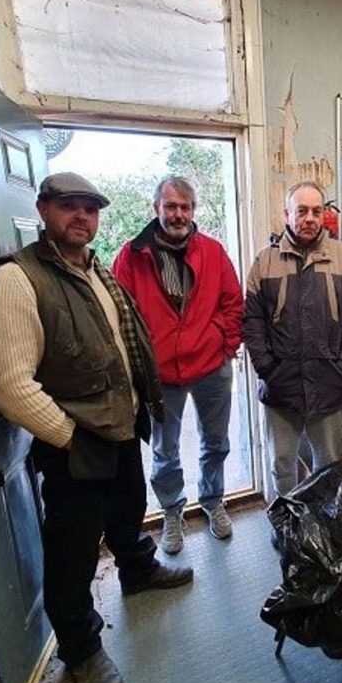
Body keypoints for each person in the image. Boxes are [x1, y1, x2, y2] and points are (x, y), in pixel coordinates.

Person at [0, 172, 193, 683]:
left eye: (90, 208)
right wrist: (69, 437)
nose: (82, 216)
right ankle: (81, 651)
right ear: (43, 209)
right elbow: (9, 385)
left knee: (128, 507)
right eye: (68, 206)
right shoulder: (15, 279)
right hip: (76, 437)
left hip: (118, 425)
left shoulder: (94, 270)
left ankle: (138, 569)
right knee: (73, 552)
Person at [112, 175, 243, 554]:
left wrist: (226, 344)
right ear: (157, 209)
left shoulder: (214, 252)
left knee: (216, 442)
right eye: (171, 206)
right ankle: (172, 511)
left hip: (211, 367)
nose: (178, 214)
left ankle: (213, 500)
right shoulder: (131, 255)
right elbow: (120, 314)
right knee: (164, 450)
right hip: (160, 374)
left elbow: (233, 303)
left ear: (193, 211)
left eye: (185, 207)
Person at [243, 180, 342, 500]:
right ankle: (285, 526)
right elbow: (252, 321)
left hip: (329, 385)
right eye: (301, 211)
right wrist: (267, 368)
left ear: (324, 215)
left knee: (327, 465)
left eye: (316, 211)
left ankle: (322, 532)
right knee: (282, 464)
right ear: (287, 214)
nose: (309, 218)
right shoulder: (264, 261)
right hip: (280, 387)